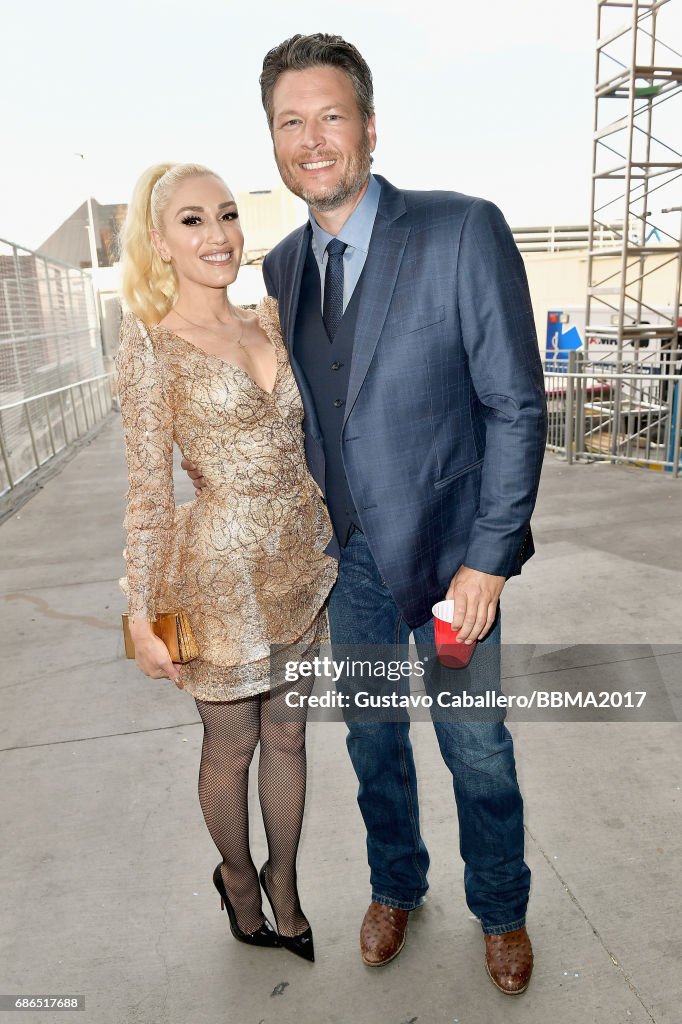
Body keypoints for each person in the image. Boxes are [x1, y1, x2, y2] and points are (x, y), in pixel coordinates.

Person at [184, 33, 547, 994]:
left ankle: (502, 909)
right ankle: (397, 886)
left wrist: (490, 561)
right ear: (272, 140)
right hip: (341, 571)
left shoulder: (462, 229)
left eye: (330, 116)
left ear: (370, 128)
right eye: (289, 122)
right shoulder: (283, 268)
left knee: (476, 747)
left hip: (449, 564)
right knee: (372, 742)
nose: (312, 139)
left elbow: (515, 403)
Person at [115, 162, 337, 963]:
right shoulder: (151, 347)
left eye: (227, 214)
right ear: (159, 244)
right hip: (217, 578)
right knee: (233, 745)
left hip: (300, 564)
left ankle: (286, 882)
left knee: (290, 738)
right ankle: (240, 879)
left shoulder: (275, 321)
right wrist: (140, 618)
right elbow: (147, 494)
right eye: (192, 221)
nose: (219, 235)